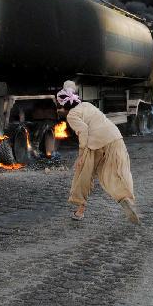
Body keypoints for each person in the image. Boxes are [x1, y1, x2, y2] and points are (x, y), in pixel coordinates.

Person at [57, 83, 140, 225]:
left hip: (95, 142)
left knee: (84, 173)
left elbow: (83, 130)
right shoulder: (87, 105)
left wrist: (81, 155)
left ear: (64, 106)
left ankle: (80, 210)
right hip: (114, 137)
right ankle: (125, 198)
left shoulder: (72, 115)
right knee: (118, 171)